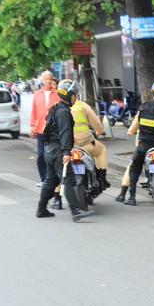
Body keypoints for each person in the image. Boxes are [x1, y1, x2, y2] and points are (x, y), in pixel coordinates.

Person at [35, 79, 93, 221]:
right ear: (68, 96)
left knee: (51, 181)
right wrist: (66, 152)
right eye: (74, 95)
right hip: (58, 151)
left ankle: (41, 209)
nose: (76, 97)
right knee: (69, 180)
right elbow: (65, 133)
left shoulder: (55, 108)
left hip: (49, 150)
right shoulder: (64, 112)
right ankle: (76, 211)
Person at [50, 84, 110, 210]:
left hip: (65, 148)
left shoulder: (55, 108)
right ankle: (102, 179)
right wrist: (100, 130)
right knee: (102, 150)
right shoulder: (82, 106)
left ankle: (57, 199)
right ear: (73, 95)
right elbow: (96, 123)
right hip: (85, 145)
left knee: (60, 169)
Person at [29, 71, 59, 187]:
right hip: (41, 129)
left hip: (53, 130)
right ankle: (44, 178)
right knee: (41, 155)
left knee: (53, 155)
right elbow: (34, 111)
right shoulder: (37, 94)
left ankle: (54, 179)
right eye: (46, 78)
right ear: (42, 81)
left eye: (50, 78)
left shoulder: (56, 94)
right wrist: (32, 126)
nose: (49, 80)